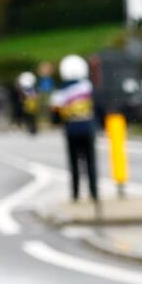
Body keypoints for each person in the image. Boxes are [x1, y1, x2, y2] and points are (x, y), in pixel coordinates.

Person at [51, 55, 97, 201]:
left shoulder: (60, 92)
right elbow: (97, 106)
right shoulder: (88, 86)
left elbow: (55, 115)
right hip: (88, 128)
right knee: (90, 162)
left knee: (74, 163)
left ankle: (75, 193)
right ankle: (93, 192)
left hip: (71, 129)